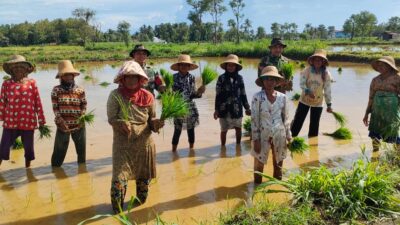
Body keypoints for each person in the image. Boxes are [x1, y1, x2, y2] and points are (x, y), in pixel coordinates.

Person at [107, 60, 164, 213]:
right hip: (122, 144)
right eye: (128, 77)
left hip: (144, 143)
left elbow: (151, 120)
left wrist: (157, 123)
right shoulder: (115, 95)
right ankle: (117, 213)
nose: (131, 80)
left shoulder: (148, 96)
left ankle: (140, 213)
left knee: (143, 184)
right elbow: (111, 118)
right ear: (122, 79)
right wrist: (120, 123)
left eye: (135, 77)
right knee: (119, 180)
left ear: (140, 79)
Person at [0, 55, 46, 168]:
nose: (18, 69)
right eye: (15, 67)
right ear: (11, 70)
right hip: (11, 122)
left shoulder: (32, 83)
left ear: (26, 69)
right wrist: (1, 117)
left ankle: (28, 170)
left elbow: (37, 102)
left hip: (28, 121)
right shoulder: (6, 84)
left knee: (29, 148)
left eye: (21, 67)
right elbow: (2, 102)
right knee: (3, 147)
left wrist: (41, 120)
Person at [251, 66, 291, 183]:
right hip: (262, 135)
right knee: (259, 165)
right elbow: (254, 120)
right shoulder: (257, 97)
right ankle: (257, 189)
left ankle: (276, 187)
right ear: (263, 81)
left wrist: (289, 136)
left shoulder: (283, 98)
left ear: (276, 82)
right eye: (267, 79)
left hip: (279, 134)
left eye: (272, 79)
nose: (269, 82)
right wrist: (256, 139)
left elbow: (286, 119)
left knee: (278, 163)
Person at [51, 60, 87, 167]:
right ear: (61, 77)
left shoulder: (80, 90)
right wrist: (60, 120)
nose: (68, 77)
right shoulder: (56, 90)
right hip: (63, 125)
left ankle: (82, 171)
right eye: (65, 75)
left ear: (73, 76)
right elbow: (55, 107)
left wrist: (82, 116)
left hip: (79, 124)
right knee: (59, 150)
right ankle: (55, 169)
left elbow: (84, 105)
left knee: (81, 150)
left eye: (70, 75)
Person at [290, 49, 333, 137]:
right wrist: (307, 91)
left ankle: (313, 144)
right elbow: (302, 83)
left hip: (318, 102)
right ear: (312, 61)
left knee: (314, 125)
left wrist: (329, 105)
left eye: (320, 60)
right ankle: (291, 139)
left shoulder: (326, 74)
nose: (317, 61)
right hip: (304, 100)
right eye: (316, 59)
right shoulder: (307, 70)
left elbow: (327, 89)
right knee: (298, 121)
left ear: (323, 62)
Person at [363, 56, 400, 151]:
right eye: (379, 65)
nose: (380, 67)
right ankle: (375, 154)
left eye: (383, 65)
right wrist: (366, 113)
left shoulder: (397, 78)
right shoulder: (375, 80)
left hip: (391, 111)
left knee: (394, 133)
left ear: (389, 66)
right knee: (375, 133)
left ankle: (397, 156)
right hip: (377, 111)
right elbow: (371, 98)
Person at [214, 54, 251, 146]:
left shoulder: (240, 78)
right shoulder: (221, 78)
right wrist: (216, 110)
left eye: (233, 65)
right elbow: (218, 95)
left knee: (238, 128)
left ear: (236, 67)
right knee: (223, 130)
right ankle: (223, 147)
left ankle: (238, 146)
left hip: (236, 108)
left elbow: (243, 94)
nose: (231, 67)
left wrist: (247, 108)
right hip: (223, 108)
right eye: (229, 65)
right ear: (226, 66)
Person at [170, 54, 205, 151]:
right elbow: (171, 94)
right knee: (177, 130)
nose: (184, 67)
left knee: (191, 129)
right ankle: (173, 151)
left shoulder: (192, 78)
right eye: (182, 65)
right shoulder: (173, 78)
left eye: (186, 65)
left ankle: (191, 150)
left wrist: (199, 92)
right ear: (178, 66)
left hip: (190, 107)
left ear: (189, 67)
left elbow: (193, 95)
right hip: (178, 107)